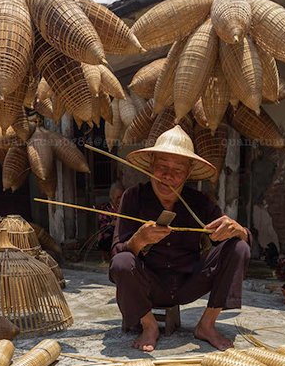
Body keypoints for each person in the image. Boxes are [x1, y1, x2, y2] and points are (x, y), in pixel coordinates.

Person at [109, 126, 250, 352]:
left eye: (178, 169)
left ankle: (206, 324)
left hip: (188, 284)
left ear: (188, 172)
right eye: (162, 166)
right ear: (152, 165)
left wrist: (237, 229)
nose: (168, 176)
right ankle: (150, 326)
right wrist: (139, 240)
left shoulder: (200, 202)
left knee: (239, 247)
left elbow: (237, 240)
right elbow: (115, 257)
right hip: (149, 285)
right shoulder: (134, 197)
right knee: (122, 262)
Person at [96, 182, 125, 257]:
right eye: (117, 197)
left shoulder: (125, 208)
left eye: (122, 197)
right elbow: (103, 224)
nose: (119, 200)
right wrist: (113, 223)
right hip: (108, 238)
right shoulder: (105, 208)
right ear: (111, 196)